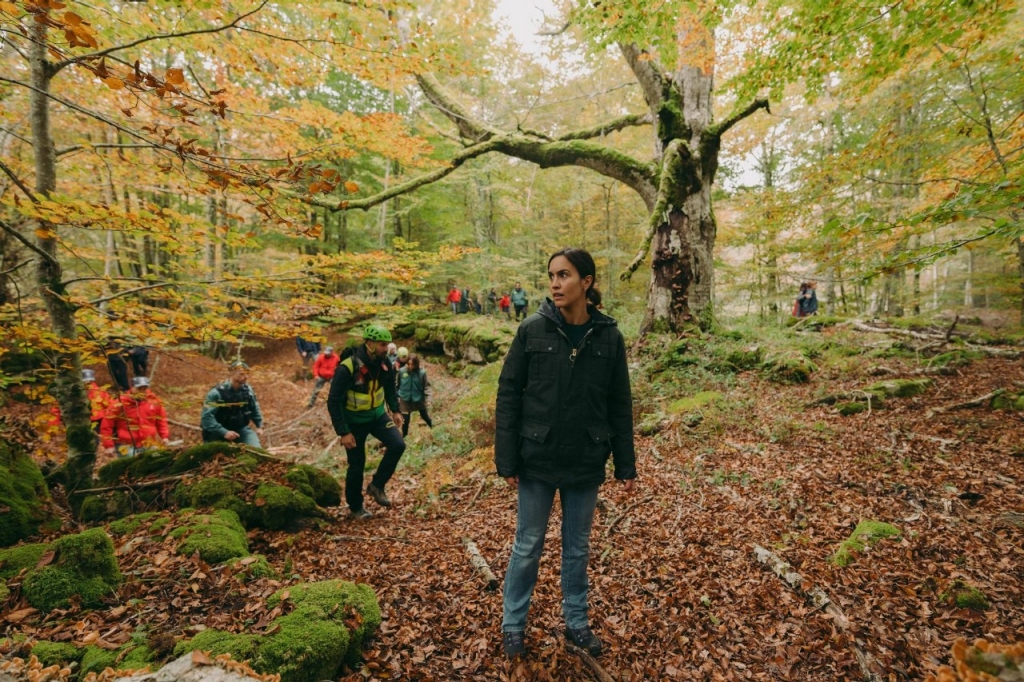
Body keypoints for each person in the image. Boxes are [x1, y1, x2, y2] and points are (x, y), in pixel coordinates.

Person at [495, 247, 636, 659]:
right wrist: (507, 457)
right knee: (528, 545)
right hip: (537, 456)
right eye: (552, 275)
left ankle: (576, 623)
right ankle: (513, 625)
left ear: (586, 282)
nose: (555, 283)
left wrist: (625, 464)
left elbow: (619, 404)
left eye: (564, 275)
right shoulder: (532, 330)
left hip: (585, 458)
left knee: (577, 548)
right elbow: (508, 394)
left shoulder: (609, 336)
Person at [326, 325, 406, 519]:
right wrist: (343, 432)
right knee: (357, 464)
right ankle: (355, 507)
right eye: (382, 344)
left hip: (377, 416)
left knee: (398, 444)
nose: (386, 348)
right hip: (354, 422)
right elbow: (333, 401)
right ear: (369, 344)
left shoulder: (384, 362)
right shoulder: (348, 367)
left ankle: (376, 486)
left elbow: (389, 388)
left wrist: (395, 410)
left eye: (387, 344)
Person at [100, 376, 171, 458]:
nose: (142, 390)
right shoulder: (120, 403)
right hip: (126, 444)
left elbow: (161, 420)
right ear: (132, 387)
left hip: (149, 442)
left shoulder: (154, 401)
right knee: (131, 466)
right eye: (139, 388)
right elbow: (107, 424)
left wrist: (164, 436)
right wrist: (108, 445)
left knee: (155, 462)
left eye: (144, 388)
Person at [200, 361, 265, 447]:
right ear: (232, 374)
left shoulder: (247, 391)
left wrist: (259, 425)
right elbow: (206, 418)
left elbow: (254, 407)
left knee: (256, 449)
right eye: (241, 374)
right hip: (217, 432)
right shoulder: (217, 393)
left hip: (240, 429)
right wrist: (224, 432)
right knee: (217, 456)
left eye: (247, 374)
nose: (245, 377)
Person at [50, 368, 113, 433]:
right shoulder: (69, 393)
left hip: (97, 421)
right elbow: (57, 409)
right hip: (78, 421)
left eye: (89, 381)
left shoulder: (100, 392)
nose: (87, 383)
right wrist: (53, 426)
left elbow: (110, 407)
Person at [397, 354, 433, 437]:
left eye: (412, 364)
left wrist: (429, 399)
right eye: (408, 364)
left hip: (418, 399)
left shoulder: (422, 373)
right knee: (405, 420)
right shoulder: (402, 371)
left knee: (425, 416)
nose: (410, 366)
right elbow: (397, 384)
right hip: (405, 399)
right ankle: (404, 437)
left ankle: (433, 428)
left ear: (416, 364)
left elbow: (427, 387)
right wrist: (397, 396)